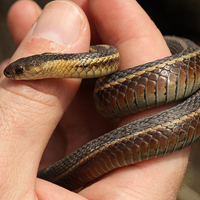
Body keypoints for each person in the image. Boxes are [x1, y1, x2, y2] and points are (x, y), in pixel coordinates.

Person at [0, 0, 190, 199]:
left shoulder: (92, 57)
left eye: (20, 71)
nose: (15, 75)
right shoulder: (82, 62)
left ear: (41, 65)